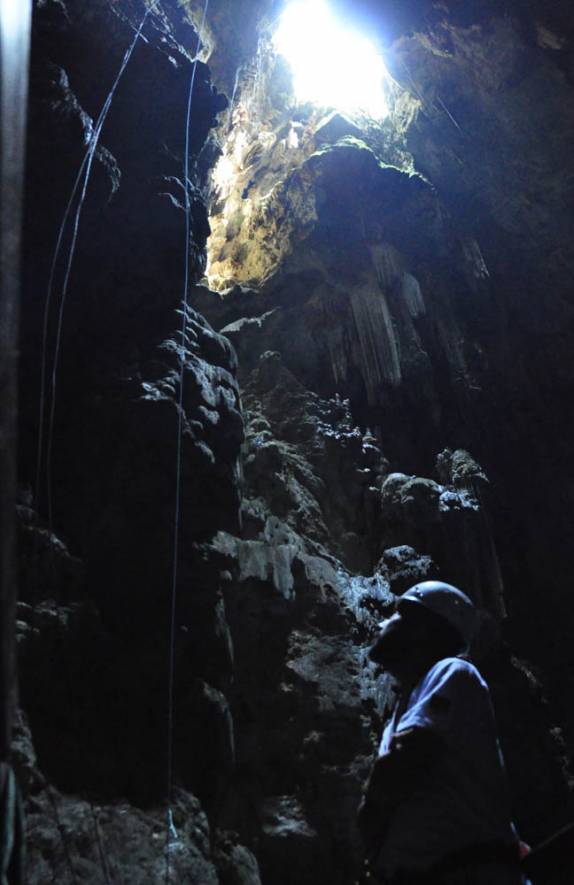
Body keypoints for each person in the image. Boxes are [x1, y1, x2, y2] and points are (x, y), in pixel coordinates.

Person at [358, 580, 526, 885]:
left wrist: (368, 822)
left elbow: (407, 757)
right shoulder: (404, 706)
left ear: (422, 627)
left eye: (396, 614)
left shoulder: (453, 672)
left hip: (464, 870)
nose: (383, 622)